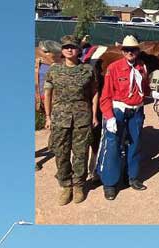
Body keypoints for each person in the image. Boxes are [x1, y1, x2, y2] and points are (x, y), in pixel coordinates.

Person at [97, 35, 159, 200]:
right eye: (127, 49)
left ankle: (132, 177)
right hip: (118, 110)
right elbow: (105, 96)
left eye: (133, 49)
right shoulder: (113, 68)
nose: (130, 52)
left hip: (136, 111)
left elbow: (144, 88)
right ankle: (110, 183)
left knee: (135, 145)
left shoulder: (142, 67)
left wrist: (154, 93)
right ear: (122, 51)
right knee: (112, 146)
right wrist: (109, 116)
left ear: (138, 51)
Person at [44, 35, 99, 205]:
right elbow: (48, 94)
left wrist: (95, 115)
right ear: (62, 50)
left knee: (80, 153)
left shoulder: (88, 70)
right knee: (61, 153)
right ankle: (65, 185)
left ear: (79, 50)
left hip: (82, 117)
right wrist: (48, 116)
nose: (69, 49)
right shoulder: (54, 70)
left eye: (73, 47)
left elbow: (95, 93)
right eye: (66, 47)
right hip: (60, 118)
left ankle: (78, 185)